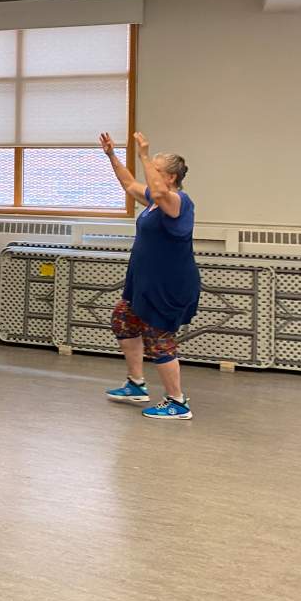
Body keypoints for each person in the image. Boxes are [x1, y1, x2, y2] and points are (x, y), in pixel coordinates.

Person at [100, 131, 201, 419]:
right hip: (144, 283)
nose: (149, 173)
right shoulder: (155, 203)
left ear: (170, 178)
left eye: (155, 170)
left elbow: (157, 192)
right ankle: (136, 384)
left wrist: (145, 154)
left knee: (159, 338)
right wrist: (111, 155)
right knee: (123, 319)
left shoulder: (179, 202)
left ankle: (178, 402)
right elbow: (129, 182)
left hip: (169, 286)